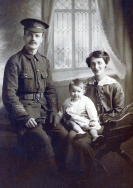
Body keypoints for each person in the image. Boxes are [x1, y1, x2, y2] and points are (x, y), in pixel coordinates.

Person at [2, 18, 68, 186]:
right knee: (43, 140)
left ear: (41, 38)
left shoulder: (44, 61)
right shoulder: (14, 61)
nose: (33, 39)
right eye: (30, 35)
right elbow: (9, 95)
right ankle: (53, 179)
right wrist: (23, 117)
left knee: (63, 135)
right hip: (24, 114)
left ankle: (63, 171)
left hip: (44, 111)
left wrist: (53, 110)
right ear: (24, 36)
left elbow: (51, 90)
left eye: (37, 36)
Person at [65, 51, 124, 184]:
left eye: (99, 63)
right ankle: (73, 171)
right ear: (90, 66)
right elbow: (78, 104)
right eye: (93, 64)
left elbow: (119, 111)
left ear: (105, 64)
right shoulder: (85, 85)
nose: (96, 66)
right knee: (69, 136)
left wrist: (99, 119)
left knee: (79, 142)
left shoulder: (114, 85)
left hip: (105, 125)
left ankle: (91, 172)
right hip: (84, 123)